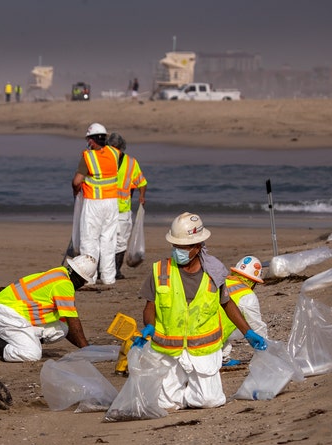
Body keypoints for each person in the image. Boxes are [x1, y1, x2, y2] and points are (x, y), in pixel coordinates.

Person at [133, 212, 267, 410]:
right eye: (175, 246)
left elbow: (227, 304)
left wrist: (248, 332)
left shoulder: (214, 272)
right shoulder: (160, 270)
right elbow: (150, 306)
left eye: (183, 247)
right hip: (169, 351)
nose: (178, 251)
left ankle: (189, 388)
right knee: (166, 405)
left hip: (203, 350)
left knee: (209, 401)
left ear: (197, 246)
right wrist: (149, 326)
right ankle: (178, 388)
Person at [0, 254, 98, 362]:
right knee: (32, 355)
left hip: (12, 310)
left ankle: (24, 340)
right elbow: (73, 319)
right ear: (81, 279)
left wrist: (84, 348)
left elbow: (69, 324)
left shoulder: (59, 272)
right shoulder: (64, 285)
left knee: (62, 328)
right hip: (8, 314)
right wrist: (86, 350)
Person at [72, 123, 121, 285]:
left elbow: (77, 181)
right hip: (112, 203)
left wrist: (75, 192)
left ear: (92, 140)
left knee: (89, 240)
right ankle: (108, 277)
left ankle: (89, 277)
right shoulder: (115, 153)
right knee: (108, 240)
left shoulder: (88, 157)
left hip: (93, 203)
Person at [106, 132, 147, 280]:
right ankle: (114, 270)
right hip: (118, 209)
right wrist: (142, 196)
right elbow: (142, 183)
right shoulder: (131, 162)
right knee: (119, 241)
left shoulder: (104, 160)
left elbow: (141, 183)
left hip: (109, 207)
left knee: (108, 239)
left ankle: (112, 270)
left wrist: (141, 196)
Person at [218, 256, 268, 367]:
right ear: (253, 282)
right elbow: (256, 326)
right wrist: (266, 350)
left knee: (227, 321)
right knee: (243, 324)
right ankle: (220, 356)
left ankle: (222, 356)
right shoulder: (247, 295)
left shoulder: (221, 282)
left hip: (203, 330)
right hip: (214, 336)